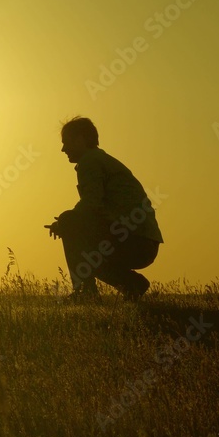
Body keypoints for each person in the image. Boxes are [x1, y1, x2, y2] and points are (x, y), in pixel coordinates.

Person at [46, 117, 163, 301]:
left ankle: (86, 291)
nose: (63, 149)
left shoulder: (90, 161)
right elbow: (93, 209)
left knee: (69, 221)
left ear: (80, 140)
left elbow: (91, 205)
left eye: (66, 143)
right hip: (143, 242)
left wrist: (63, 222)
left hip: (133, 240)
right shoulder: (100, 160)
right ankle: (131, 284)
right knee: (75, 228)